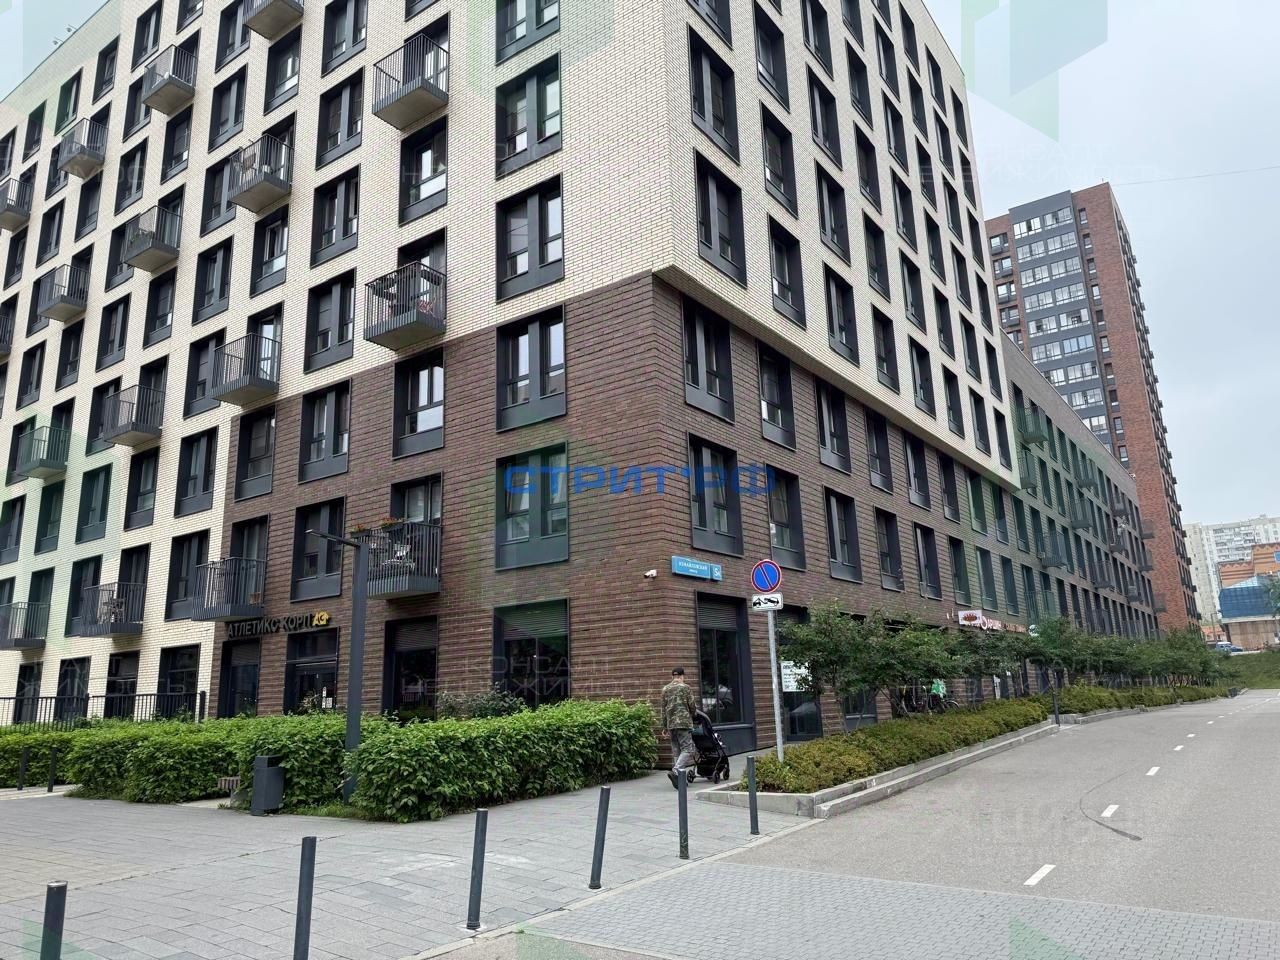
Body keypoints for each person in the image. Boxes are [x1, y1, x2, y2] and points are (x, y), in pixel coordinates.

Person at [661, 667, 698, 788]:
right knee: (688, 749)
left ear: (672, 676)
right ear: (682, 676)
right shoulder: (686, 688)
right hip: (683, 723)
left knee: (676, 751)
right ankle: (676, 770)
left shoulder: (665, 689)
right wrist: (694, 715)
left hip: (671, 725)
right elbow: (692, 706)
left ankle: (679, 780)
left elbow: (663, 710)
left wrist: (664, 727)